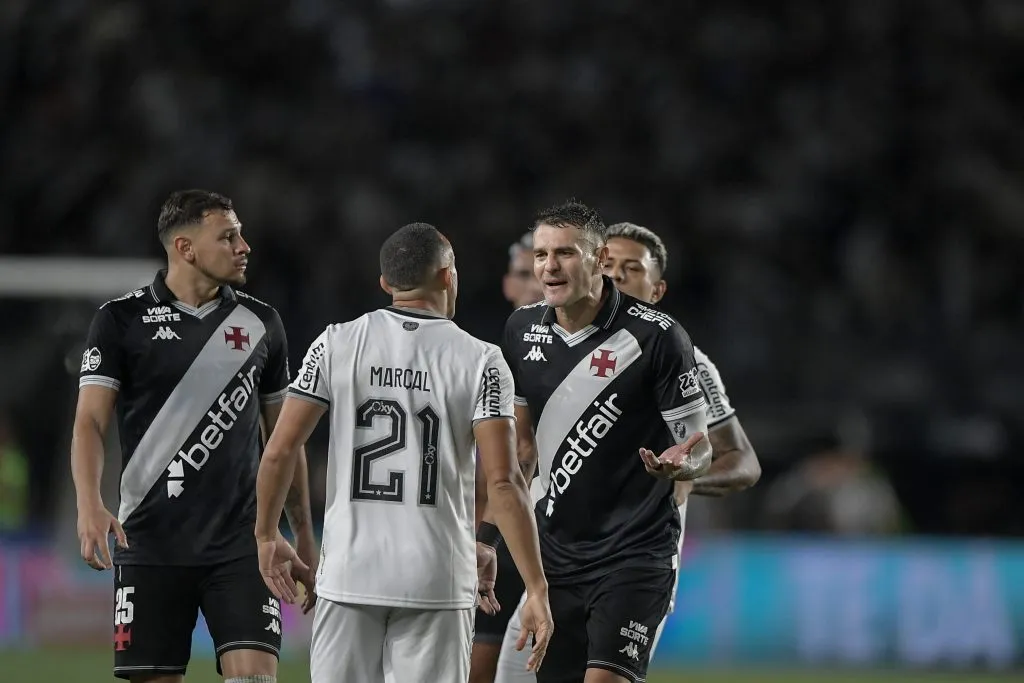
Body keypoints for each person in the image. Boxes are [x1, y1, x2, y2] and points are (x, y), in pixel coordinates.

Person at [252, 223, 554, 683]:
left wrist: (266, 536)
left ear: (386, 284)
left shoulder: (336, 343)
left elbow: (279, 450)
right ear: (448, 276)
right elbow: (504, 480)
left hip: (350, 575)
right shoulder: (481, 360)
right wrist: (535, 586)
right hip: (437, 578)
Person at [492, 221, 762, 681]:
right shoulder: (541, 336)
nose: (617, 275)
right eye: (610, 263)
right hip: (554, 543)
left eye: (631, 268)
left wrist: (684, 474)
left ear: (656, 289)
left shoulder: (680, 355)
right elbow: (522, 446)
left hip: (636, 550)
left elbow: (742, 461)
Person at [72, 189, 317, 683]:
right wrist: (88, 502)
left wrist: (304, 531)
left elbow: (283, 440)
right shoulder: (121, 320)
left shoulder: (261, 322)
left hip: (244, 543)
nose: (244, 245)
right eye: (228, 236)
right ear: (185, 248)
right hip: (150, 543)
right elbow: (89, 422)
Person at [471, 232, 546, 683]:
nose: (535, 285)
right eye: (524, 274)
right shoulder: (485, 360)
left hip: (540, 536)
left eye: (540, 274)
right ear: (507, 285)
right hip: (488, 533)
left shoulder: (577, 361)